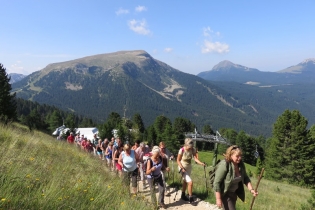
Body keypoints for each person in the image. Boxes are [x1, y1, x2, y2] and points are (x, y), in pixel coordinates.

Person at [214, 145, 258, 210]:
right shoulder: (225, 164)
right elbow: (216, 183)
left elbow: (245, 178)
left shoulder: (240, 165)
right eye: (237, 156)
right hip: (225, 194)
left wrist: (251, 190)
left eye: (240, 156)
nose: (239, 158)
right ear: (230, 155)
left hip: (234, 194)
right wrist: (218, 199)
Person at [177, 138, 206, 203]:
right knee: (190, 182)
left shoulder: (192, 149)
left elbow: (195, 158)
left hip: (189, 167)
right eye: (189, 147)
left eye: (191, 147)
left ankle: (183, 195)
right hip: (182, 167)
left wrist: (201, 163)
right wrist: (181, 168)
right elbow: (178, 160)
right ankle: (191, 198)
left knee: (185, 181)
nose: (191, 148)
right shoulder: (181, 150)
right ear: (186, 145)